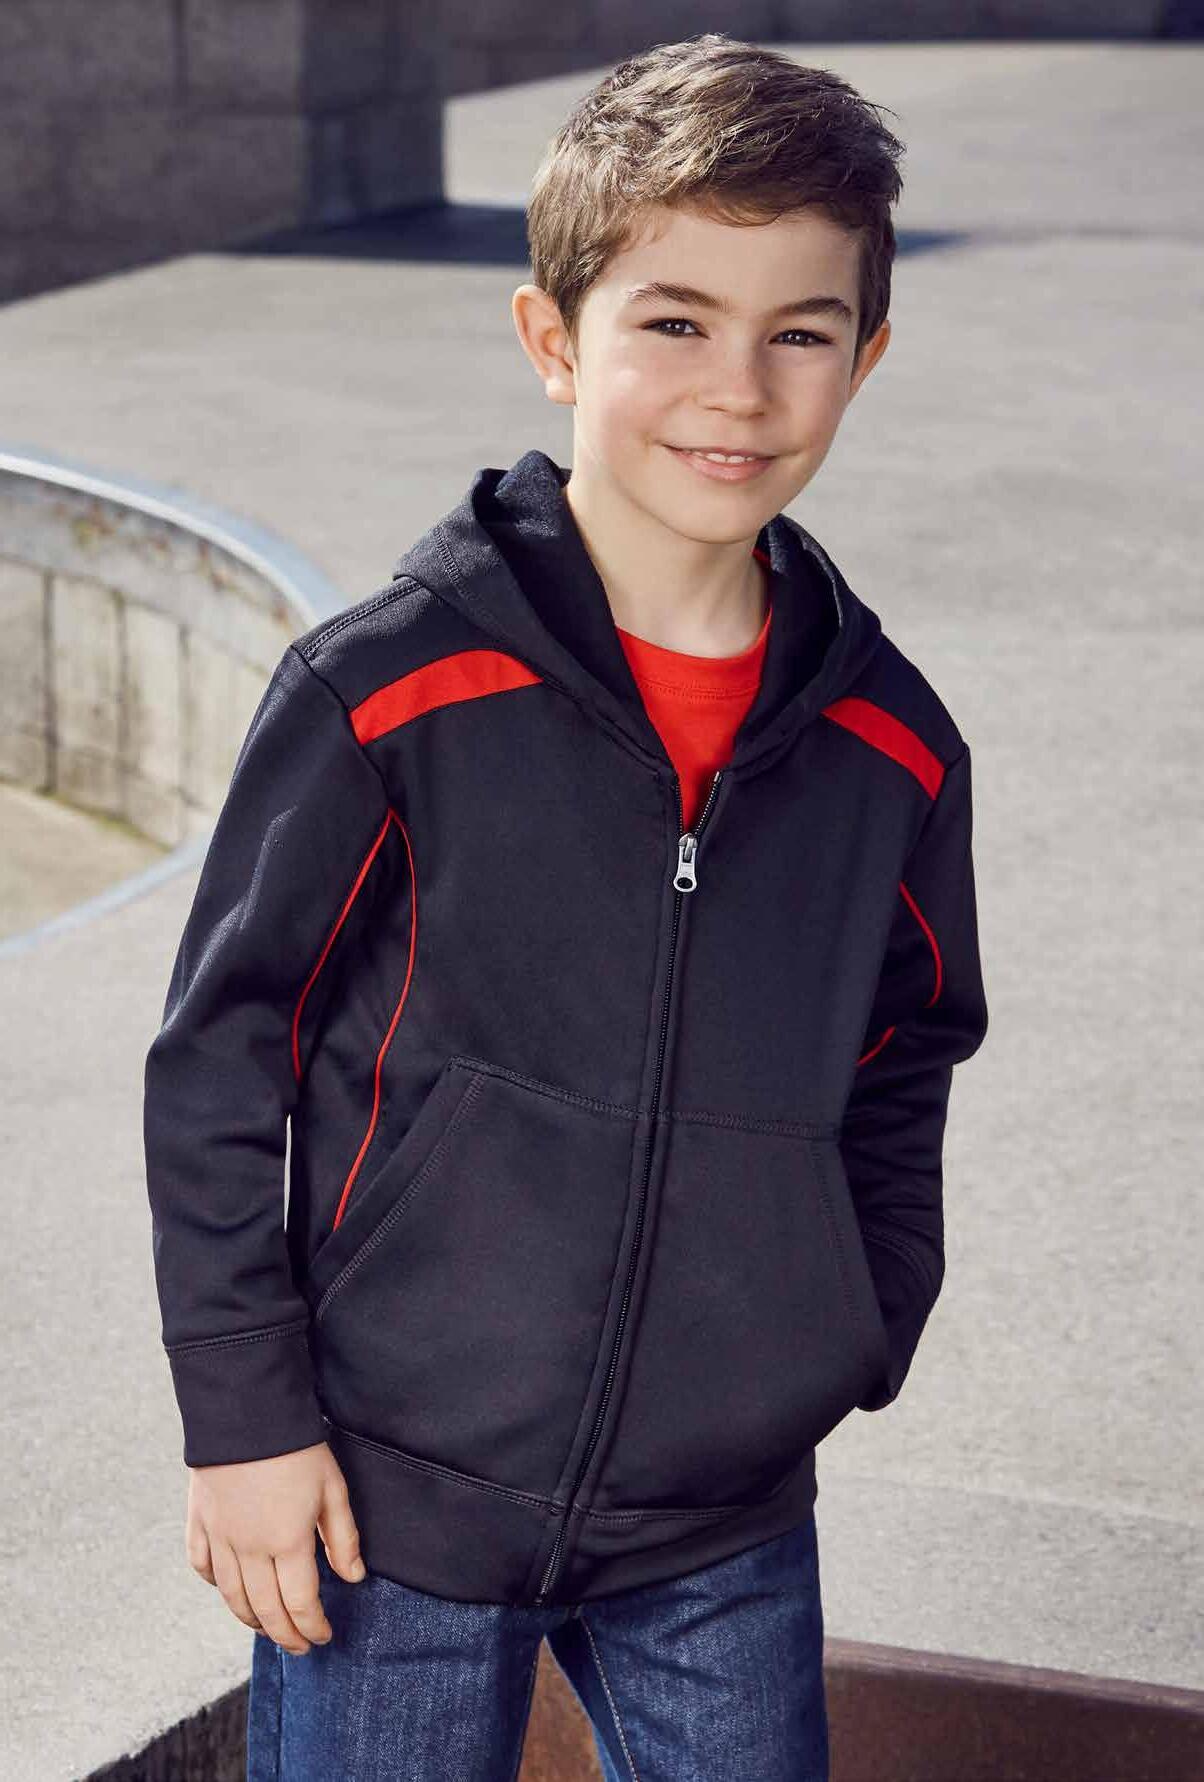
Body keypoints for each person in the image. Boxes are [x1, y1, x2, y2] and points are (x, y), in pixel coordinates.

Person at [143, 32, 989, 1782]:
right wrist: (242, 1416)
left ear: (867, 358)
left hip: (721, 1518)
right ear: (553, 339)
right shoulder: (390, 692)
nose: (736, 391)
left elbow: (909, 1051)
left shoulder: (890, 749)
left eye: (800, 334)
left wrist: (846, 1320)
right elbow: (225, 1055)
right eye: (674, 321)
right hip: (389, 1503)